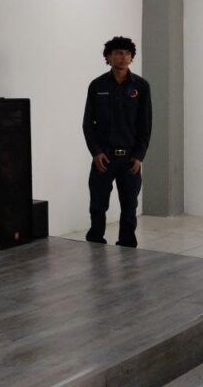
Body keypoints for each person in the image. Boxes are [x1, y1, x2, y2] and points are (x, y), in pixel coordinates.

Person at [82, 36, 152, 248]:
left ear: (132, 57)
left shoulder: (141, 86)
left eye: (127, 53)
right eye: (118, 53)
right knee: (98, 205)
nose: (123, 57)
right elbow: (88, 124)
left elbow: (145, 125)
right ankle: (96, 242)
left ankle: (127, 244)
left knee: (129, 206)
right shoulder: (97, 85)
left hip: (130, 159)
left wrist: (139, 156)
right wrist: (96, 152)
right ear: (108, 57)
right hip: (103, 158)